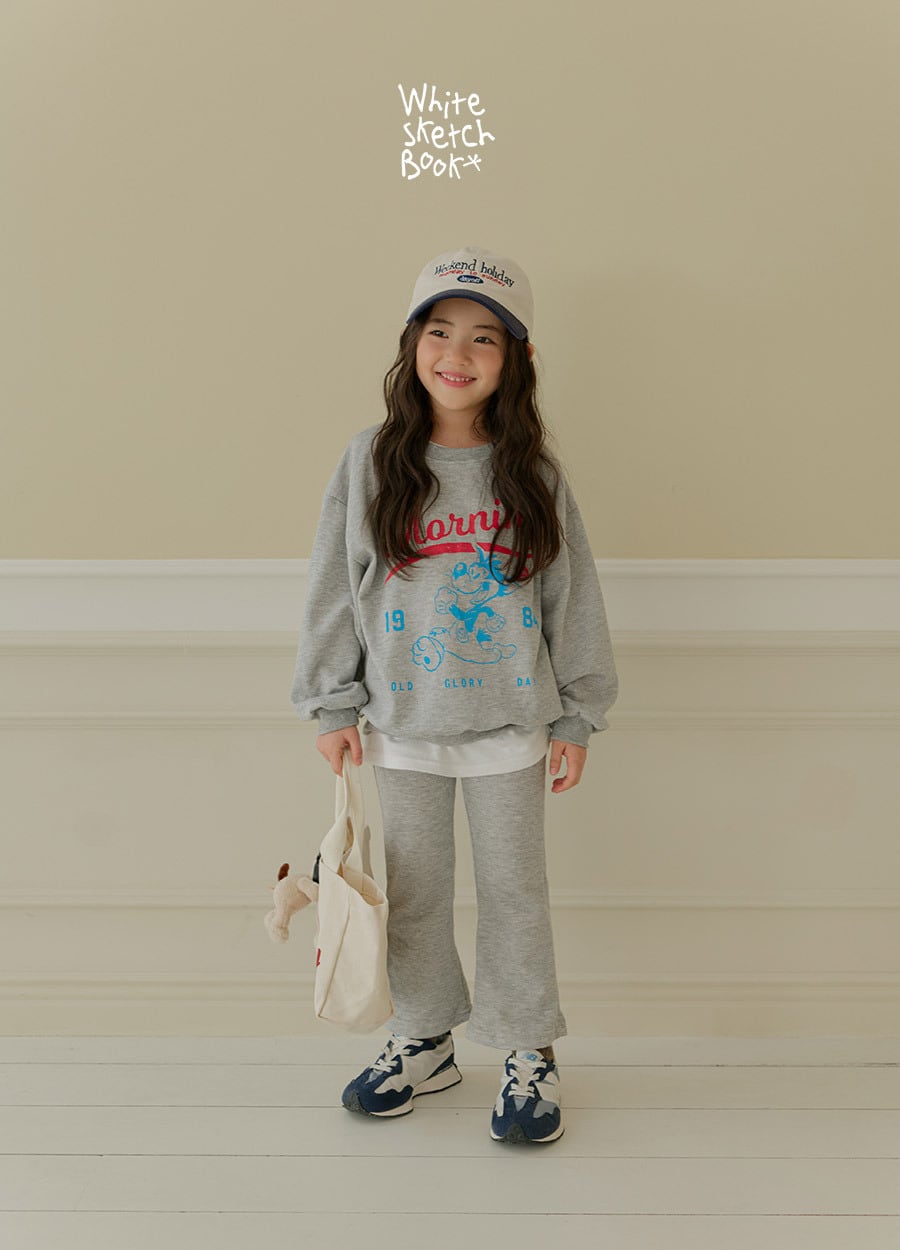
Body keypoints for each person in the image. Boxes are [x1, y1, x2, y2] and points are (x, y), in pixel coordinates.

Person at [290, 245, 618, 1145]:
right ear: (412, 344)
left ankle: (526, 1048)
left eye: (484, 338)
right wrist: (332, 704)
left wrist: (578, 712)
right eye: (440, 331)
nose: (458, 354)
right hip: (402, 725)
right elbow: (333, 587)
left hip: (511, 724)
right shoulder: (370, 463)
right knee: (417, 892)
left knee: (515, 892)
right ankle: (424, 1037)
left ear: (516, 360)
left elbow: (572, 597)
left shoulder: (532, 474)